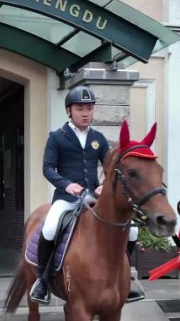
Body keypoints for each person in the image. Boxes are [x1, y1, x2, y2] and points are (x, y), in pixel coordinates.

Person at [29, 86, 141, 304]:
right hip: (67, 198)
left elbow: (110, 167)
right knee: (50, 226)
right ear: (69, 111)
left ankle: (127, 276)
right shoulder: (57, 137)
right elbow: (48, 168)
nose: (86, 113)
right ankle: (42, 279)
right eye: (80, 109)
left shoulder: (98, 137)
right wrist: (66, 185)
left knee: (133, 229)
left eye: (89, 108)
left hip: (94, 198)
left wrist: (104, 186)